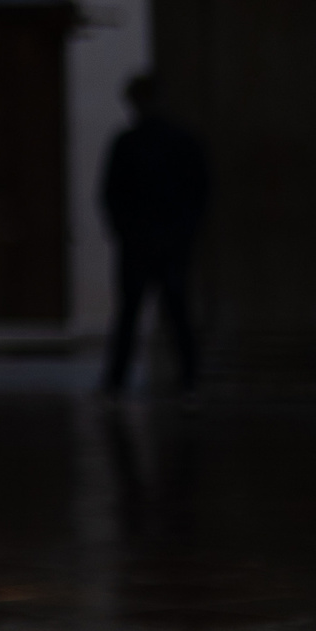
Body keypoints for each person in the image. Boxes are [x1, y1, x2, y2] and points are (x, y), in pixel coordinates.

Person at [97, 73, 209, 394]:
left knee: (146, 314)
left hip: (149, 241)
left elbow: (112, 195)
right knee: (168, 313)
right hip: (161, 241)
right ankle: (187, 381)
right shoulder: (176, 141)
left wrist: (126, 230)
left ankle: (120, 383)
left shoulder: (132, 143)